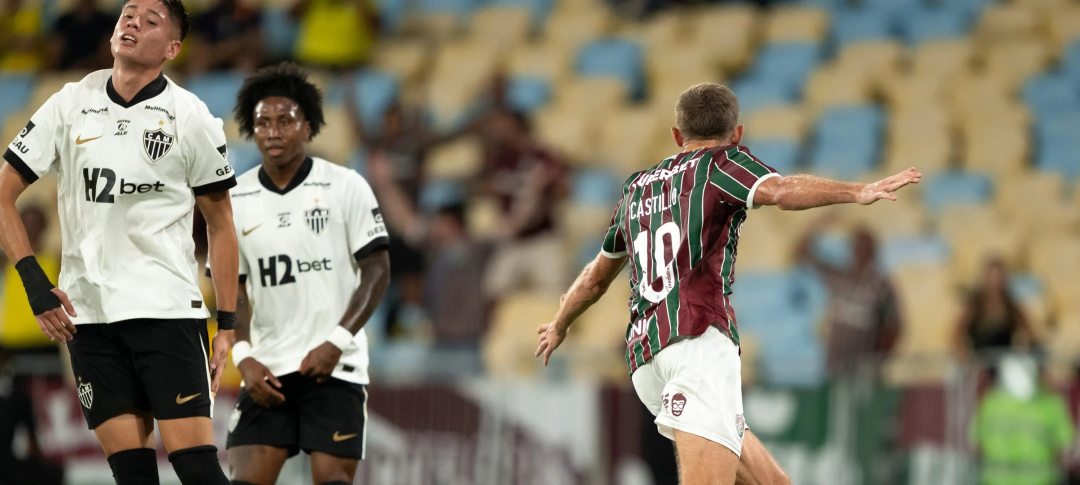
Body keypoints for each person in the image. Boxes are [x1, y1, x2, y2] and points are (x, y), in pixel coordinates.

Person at [535, 83, 922, 485]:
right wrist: (856, 191)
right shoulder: (720, 164)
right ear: (737, 134)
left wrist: (560, 322)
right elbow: (783, 191)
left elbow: (596, 278)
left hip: (646, 359)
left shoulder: (637, 187)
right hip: (696, 346)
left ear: (676, 135)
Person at [0, 2, 240, 484]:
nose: (132, 22)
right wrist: (32, 280)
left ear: (172, 48)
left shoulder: (190, 117)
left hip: (167, 312)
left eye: (150, 20)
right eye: (128, 13)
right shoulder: (68, 102)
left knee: (195, 465)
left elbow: (221, 224)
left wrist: (228, 323)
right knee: (131, 474)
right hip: (90, 319)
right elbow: (4, 192)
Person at [223, 62, 390, 485]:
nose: (273, 131)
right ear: (251, 128)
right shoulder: (236, 199)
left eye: (285, 120)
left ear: (308, 126)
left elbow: (377, 270)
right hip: (267, 372)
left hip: (335, 369)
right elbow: (232, 291)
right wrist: (243, 358)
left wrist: (336, 342)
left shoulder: (346, 186)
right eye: (263, 122)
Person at [795, 221, 901, 376]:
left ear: (873, 251)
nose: (860, 251)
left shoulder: (881, 286)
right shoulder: (839, 276)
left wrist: (877, 358)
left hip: (865, 370)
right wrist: (822, 222)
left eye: (865, 247)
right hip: (835, 366)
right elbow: (801, 252)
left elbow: (894, 327)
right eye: (857, 246)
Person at [956, 257, 1032, 356]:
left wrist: (1022, 352)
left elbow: (1028, 331)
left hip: (1004, 360)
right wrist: (966, 358)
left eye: (999, 276)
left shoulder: (1010, 305)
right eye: (992, 277)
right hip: (980, 361)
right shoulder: (975, 305)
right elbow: (957, 334)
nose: (995, 281)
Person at [49, 0, 114, 71]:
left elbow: (108, 52)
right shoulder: (63, 22)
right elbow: (55, 53)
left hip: (97, 71)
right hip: (66, 73)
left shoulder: (107, 22)